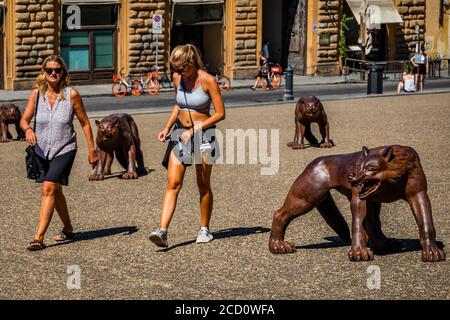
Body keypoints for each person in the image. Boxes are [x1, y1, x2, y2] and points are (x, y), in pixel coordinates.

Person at [149, 44, 225, 247]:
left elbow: (220, 113)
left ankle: (204, 229)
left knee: (203, 184)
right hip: (180, 131)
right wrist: (167, 126)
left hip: (205, 135)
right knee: (173, 182)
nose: (178, 73)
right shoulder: (177, 78)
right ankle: (162, 231)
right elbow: (178, 103)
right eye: (174, 69)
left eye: (181, 68)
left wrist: (194, 130)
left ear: (191, 63)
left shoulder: (208, 80)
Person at [20, 55, 98, 251]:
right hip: (41, 149)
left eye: (57, 70)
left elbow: (85, 123)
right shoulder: (37, 94)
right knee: (56, 191)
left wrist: (92, 150)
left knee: (48, 188)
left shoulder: (71, 94)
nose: (53, 73)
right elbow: (23, 120)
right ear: (44, 73)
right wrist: (28, 129)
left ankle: (38, 237)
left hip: (65, 148)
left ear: (64, 73)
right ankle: (68, 228)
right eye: (49, 70)